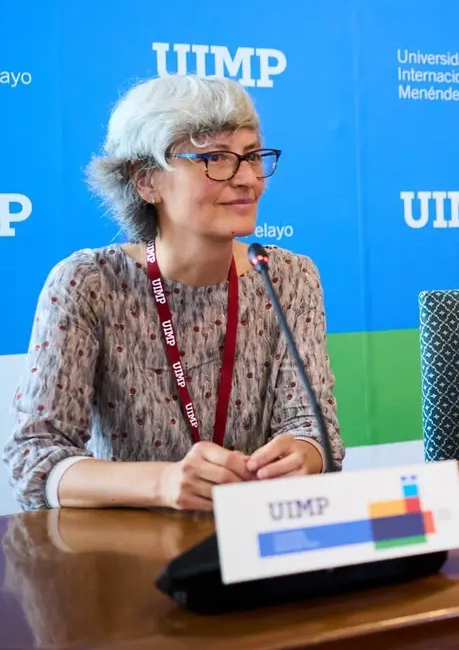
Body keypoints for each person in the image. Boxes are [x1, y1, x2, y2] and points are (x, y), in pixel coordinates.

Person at [2, 75, 345, 512]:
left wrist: (305, 453)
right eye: (215, 158)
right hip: (130, 542)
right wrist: (163, 482)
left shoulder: (288, 276)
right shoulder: (89, 282)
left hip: (256, 534)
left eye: (252, 156)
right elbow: (34, 458)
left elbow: (315, 430)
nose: (248, 179)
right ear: (146, 181)